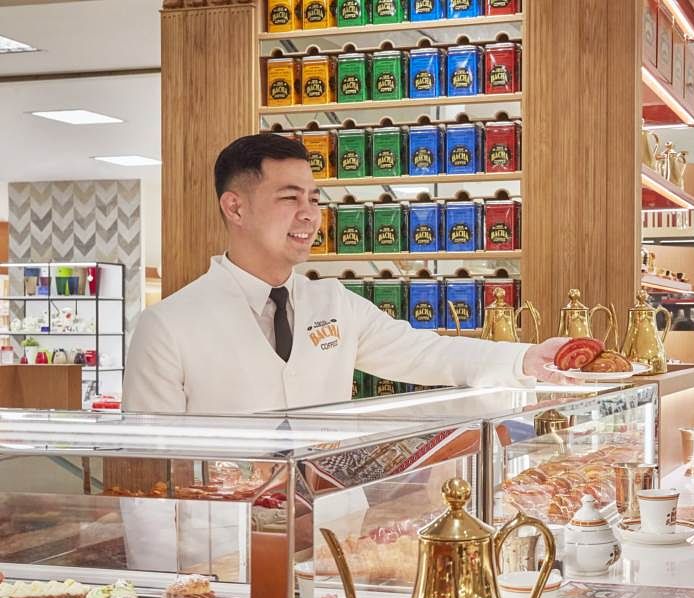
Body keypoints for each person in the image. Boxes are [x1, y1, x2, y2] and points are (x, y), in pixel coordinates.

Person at [124, 133, 565, 414]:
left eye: (314, 199)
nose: (309, 215)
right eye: (289, 198)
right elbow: (150, 469)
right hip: (222, 530)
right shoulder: (166, 326)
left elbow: (425, 353)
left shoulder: (334, 303)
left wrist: (525, 358)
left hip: (331, 524)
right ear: (235, 207)